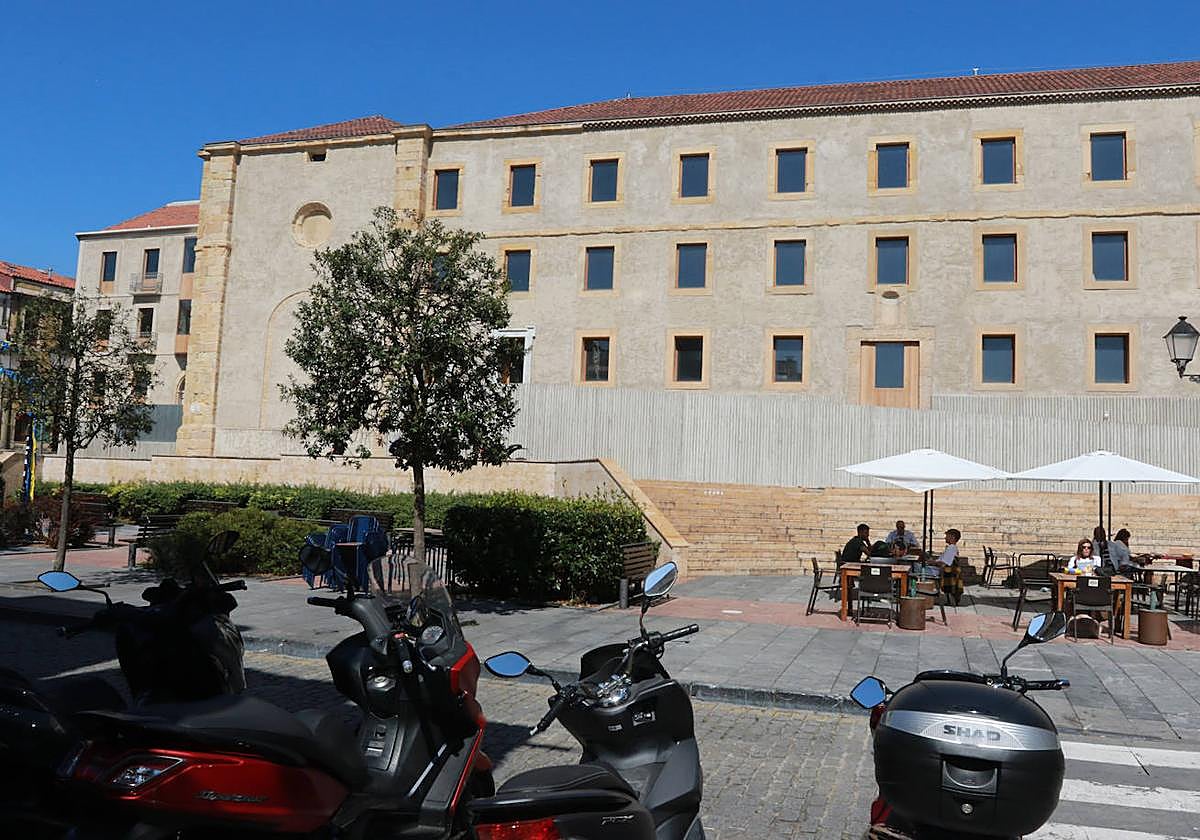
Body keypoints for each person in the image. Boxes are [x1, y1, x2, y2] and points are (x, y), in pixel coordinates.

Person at [930, 528, 964, 606]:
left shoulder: (951, 548)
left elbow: (944, 563)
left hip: (945, 571)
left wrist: (932, 562)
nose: (945, 538)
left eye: (947, 536)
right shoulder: (951, 548)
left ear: (952, 537)